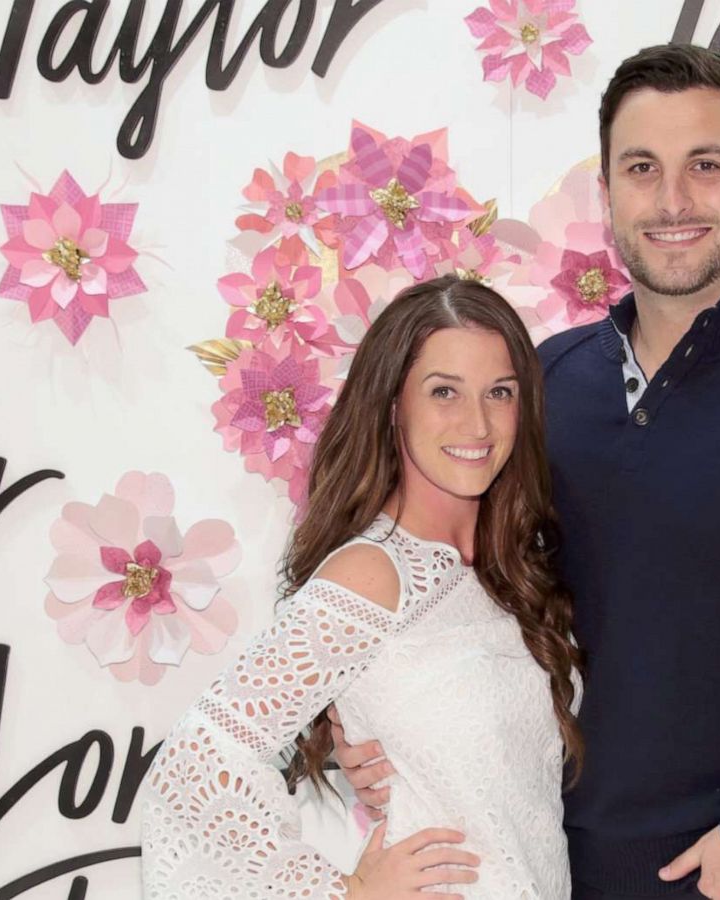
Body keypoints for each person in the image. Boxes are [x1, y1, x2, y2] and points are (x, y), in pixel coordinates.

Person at [336, 44, 720, 900]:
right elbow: (457, 586)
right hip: (542, 868)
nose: (671, 200)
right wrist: (361, 720)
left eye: (706, 166)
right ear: (608, 196)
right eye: (642, 168)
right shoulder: (543, 384)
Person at [139, 276, 583, 899]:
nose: (477, 422)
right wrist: (341, 893)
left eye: (499, 392)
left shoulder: (514, 564)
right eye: (444, 392)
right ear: (393, 405)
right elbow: (199, 762)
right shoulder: (373, 574)